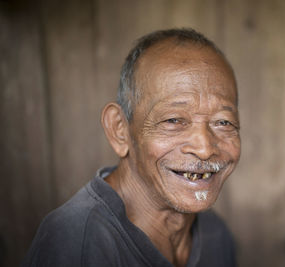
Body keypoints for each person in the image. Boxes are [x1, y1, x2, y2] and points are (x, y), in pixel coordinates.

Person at [22, 28, 241, 267]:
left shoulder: (215, 235)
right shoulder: (77, 241)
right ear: (120, 130)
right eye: (173, 120)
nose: (205, 148)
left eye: (223, 122)